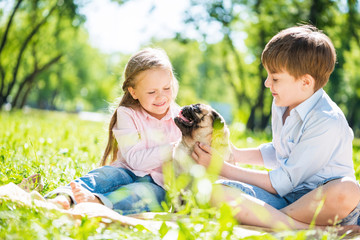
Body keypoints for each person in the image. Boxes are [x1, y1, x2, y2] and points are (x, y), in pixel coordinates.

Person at [192, 25, 360, 230]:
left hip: (323, 203)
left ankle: (269, 219)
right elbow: (279, 150)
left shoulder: (326, 120)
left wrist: (224, 168)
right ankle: (308, 230)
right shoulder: (282, 102)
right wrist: (235, 155)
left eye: (275, 78)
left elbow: (282, 181)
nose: (266, 83)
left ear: (305, 82)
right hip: (286, 200)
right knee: (214, 191)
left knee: (348, 190)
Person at [45, 48, 182, 215]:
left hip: (159, 184)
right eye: (152, 92)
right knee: (104, 176)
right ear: (134, 92)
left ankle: (99, 203)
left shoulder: (182, 118)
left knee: (141, 195)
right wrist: (174, 148)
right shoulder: (127, 114)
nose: (161, 96)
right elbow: (135, 161)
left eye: (166, 88)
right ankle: (64, 198)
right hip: (125, 170)